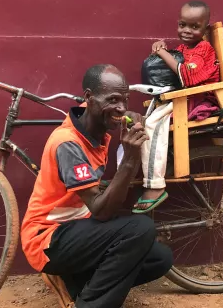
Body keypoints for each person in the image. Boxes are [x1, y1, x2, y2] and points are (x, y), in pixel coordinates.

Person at [20, 64, 173, 308]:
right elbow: (102, 211)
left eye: (125, 99)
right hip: (48, 238)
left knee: (159, 258)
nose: (121, 107)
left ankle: (75, 283)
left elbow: (100, 204)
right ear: (89, 98)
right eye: (113, 100)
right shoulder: (68, 143)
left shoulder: (95, 126)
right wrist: (130, 158)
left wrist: (125, 119)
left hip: (78, 229)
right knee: (140, 228)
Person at [135, 0, 220, 212]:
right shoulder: (185, 48)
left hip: (194, 99)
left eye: (194, 26)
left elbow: (188, 77)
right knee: (138, 123)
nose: (187, 31)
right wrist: (163, 49)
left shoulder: (203, 49)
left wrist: (163, 53)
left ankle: (155, 186)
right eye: (183, 25)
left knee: (152, 125)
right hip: (183, 98)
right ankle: (127, 173)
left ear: (205, 29)